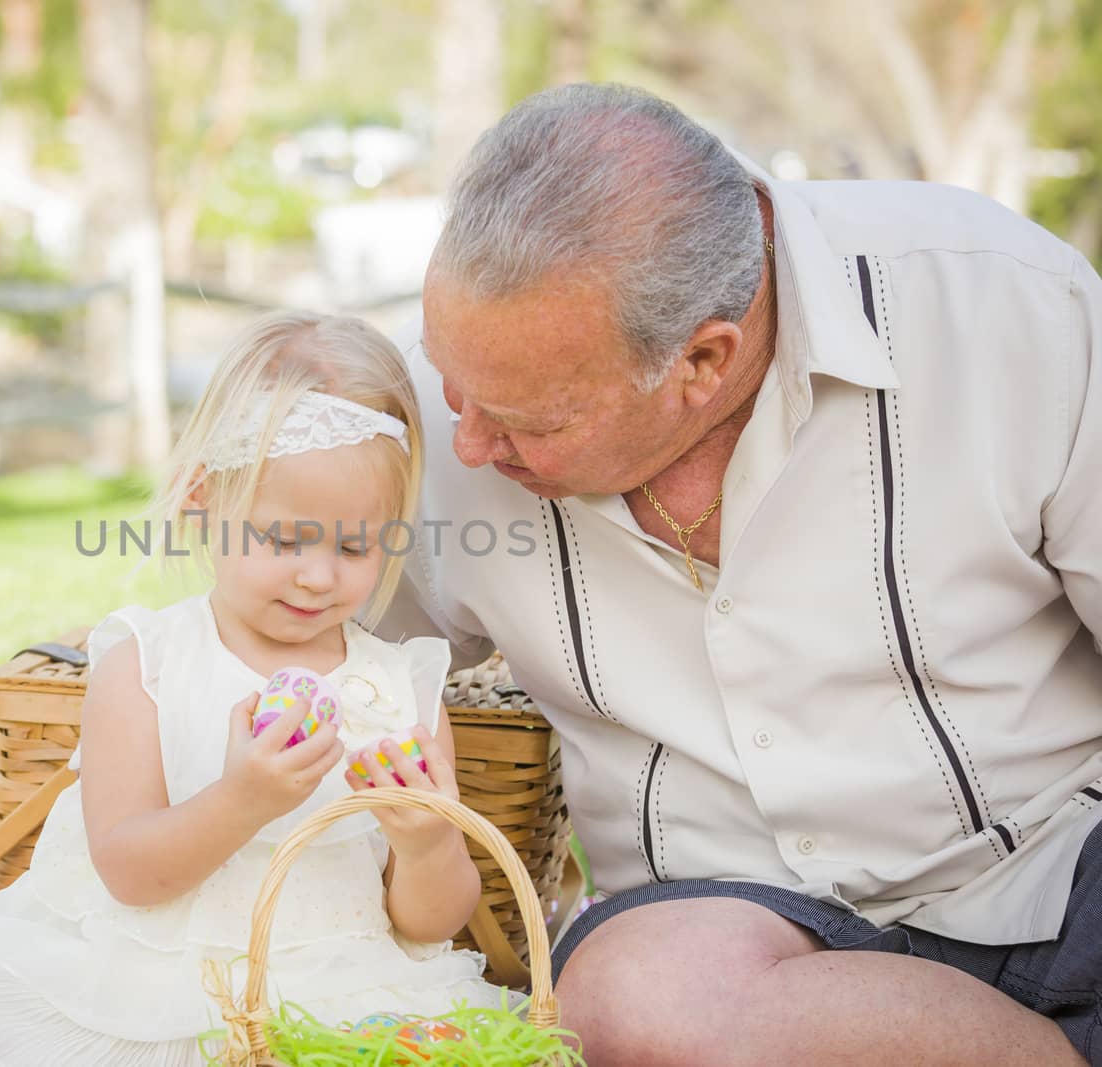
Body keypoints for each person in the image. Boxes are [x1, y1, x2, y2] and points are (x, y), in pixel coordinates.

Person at [376, 82, 1102, 1065]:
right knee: (632, 997)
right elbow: (291, 657)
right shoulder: (432, 427)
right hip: (739, 949)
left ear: (701, 361)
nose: (465, 440)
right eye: (451, 381)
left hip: (1064, 869)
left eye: (525, 421)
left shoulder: (999, 302)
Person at [0, 311, 504, 1066]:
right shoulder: (146, 666)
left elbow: (429, 926)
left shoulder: (397, 690)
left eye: (356, 544)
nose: (319, 574)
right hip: (150, 976)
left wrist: (427, 844)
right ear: (202, 500)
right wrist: (243, 799)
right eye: (284, 538)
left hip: (342, 989)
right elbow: (128, 871)